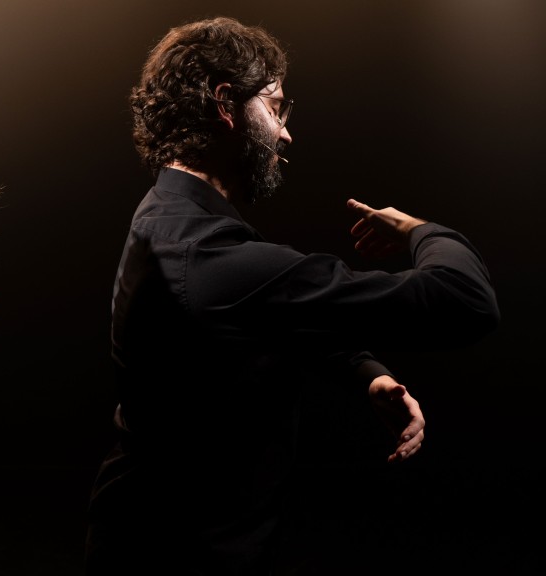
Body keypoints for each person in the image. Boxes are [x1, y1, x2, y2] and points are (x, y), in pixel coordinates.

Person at [85, 16, 500, 576]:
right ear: (226, 104)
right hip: (189, 557)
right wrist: (421, 230)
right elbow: (465, 300)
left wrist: (364, 371)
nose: (285, 135)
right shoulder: (211, 258)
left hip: (145, 537)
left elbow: (252, 322)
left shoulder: (166, 215)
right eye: (276, 107)